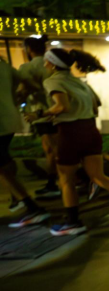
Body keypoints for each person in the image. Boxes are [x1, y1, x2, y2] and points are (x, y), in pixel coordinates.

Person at [23, 48, 109, 235]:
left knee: (66, 180)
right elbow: (95, 108)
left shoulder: (52, 81)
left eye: (46, 62)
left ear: (53, 63)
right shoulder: (80, 82)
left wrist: (40, 114)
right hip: (90, 130)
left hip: (71, 132)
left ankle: (73, 222)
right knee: (98, 176)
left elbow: (62, 106)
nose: (45, 65)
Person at [2, 58, 48, 227]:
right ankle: (19, 198)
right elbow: (32, 85)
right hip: (10, 119)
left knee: (2, 166)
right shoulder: (5, 66)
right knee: (5, 159)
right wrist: (15, 96)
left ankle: (31, 207)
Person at [16, 35, 60, 199]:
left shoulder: (27, 68)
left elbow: (22, 91)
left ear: (29, 49)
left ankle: (53, 184)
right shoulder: (52, 65)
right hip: (59, 110)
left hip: (41, 113)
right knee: (58, 148)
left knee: (51, 150)